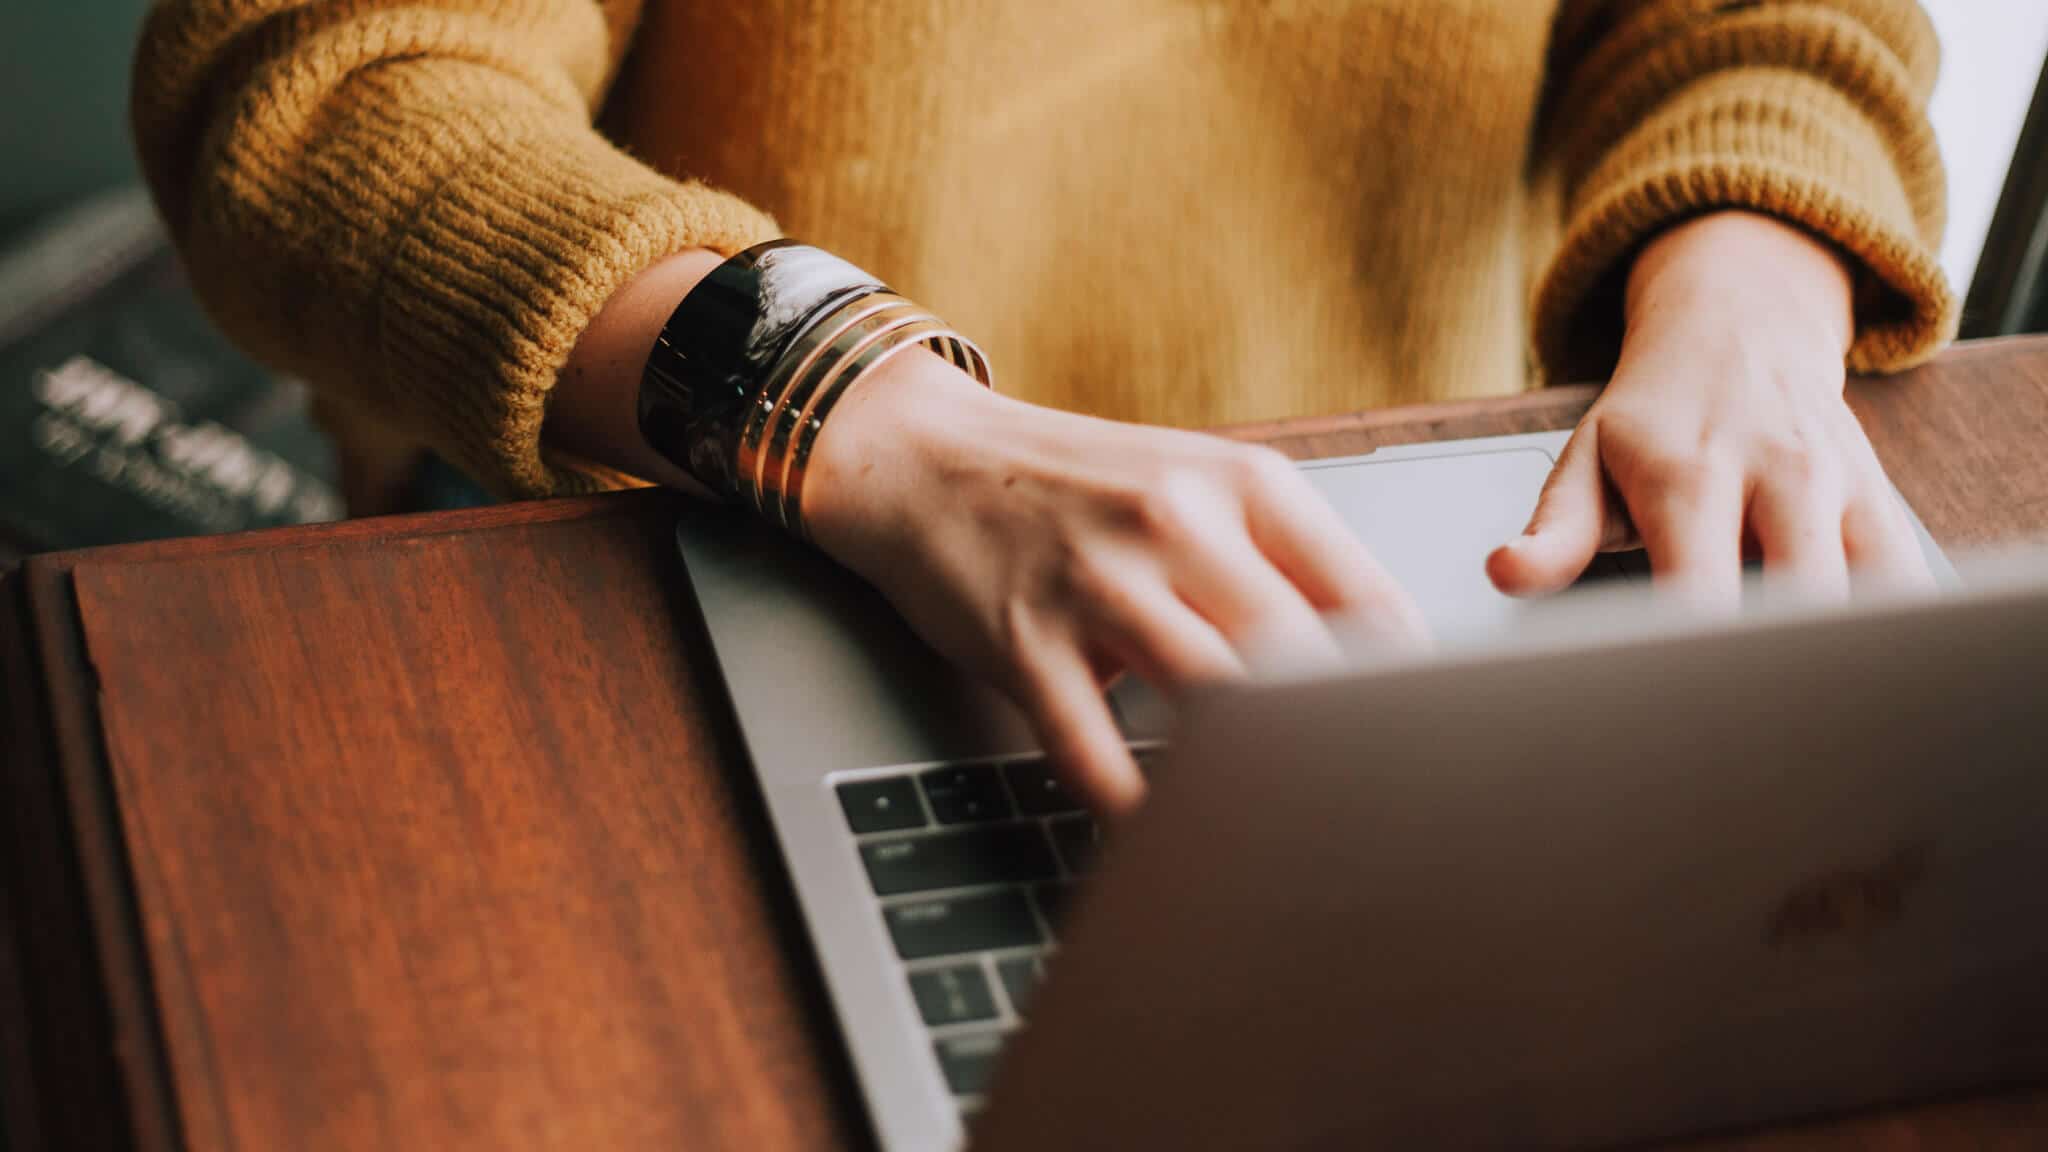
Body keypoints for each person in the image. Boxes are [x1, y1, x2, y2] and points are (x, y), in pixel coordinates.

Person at [133, 1, 1955, 809]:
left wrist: (1752, 281)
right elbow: (316, 81)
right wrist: (866, 410)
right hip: (714, 550)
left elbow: (1774, 12)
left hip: (1429, 579)